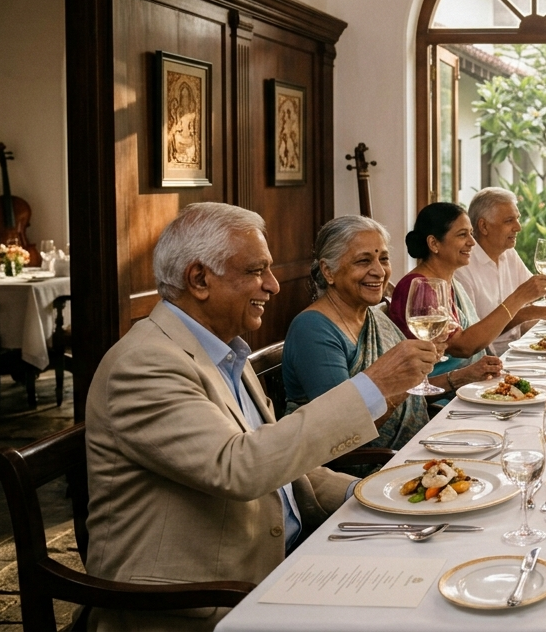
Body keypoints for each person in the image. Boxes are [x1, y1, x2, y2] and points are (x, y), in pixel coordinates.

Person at [84, 203, 439, 631]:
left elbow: (284, 467)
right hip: (201, 602)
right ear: (199, 279)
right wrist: (374, 386)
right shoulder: (144, 364)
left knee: (429, 582)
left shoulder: (224, 350)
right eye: (256, 271)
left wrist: (376, 494)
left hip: (282, 562)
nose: (272, 285)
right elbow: (240, 468)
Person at [282, 215, 455, 449]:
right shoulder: (312, 329)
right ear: (328, 271)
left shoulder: (373, 315)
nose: (379, 271)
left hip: (409, 449)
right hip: (368, 464)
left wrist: (459, 377)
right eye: (363, 261)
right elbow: (341, 432)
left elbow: (408, 393)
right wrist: (406, 379)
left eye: (383, 259)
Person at [388, 202, 533, 384]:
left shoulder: (449, 283)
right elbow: (463, 347)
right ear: (434, 243)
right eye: (462, 235)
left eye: (471, 233)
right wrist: (518, 298)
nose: (472, 242)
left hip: (468, 384)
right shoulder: (419, 287)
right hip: (439, 392)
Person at [452, 187, 546, 354]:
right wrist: (525, 313)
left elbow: (531, 299)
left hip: (519, 349)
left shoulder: (509, 254)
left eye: (517, 219)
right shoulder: (463, 267)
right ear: (483, 226)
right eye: (509, 221)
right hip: (490, 358)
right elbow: (471, 337)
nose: (518, 227)